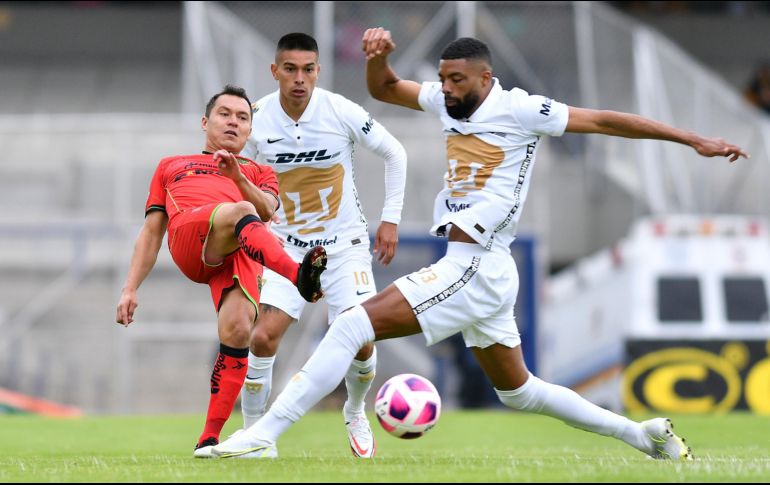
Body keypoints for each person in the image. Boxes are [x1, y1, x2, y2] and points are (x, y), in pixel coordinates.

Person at [212, 30, 748, 460]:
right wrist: (378, 59)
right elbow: (386, 89)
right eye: (443, 79)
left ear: (485, 78)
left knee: (352, 325)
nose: (445, 89)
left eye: (456, 80)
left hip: (476, 265)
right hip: (478, 268)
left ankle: (262, 434)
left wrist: (691, 139)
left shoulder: (523, 110)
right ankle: (642, 435)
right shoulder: (448, 101)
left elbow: (605, 121)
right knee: (520, 391)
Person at [217, 33, 407, 460]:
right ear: (275, 71)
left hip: (345, 246)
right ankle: (255, 437)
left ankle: (354, 410)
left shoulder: (340, 110)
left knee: (362, 342)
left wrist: (390, 219)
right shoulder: (256, 118)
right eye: (290, 69)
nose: (299, 79)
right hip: (287, 247)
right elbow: (232, 172)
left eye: (307, 70)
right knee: (263, 337)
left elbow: (396, 153)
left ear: (318, 71)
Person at [114, 84, 328, 457]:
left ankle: (209, 439)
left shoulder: (260, 172)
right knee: (240, 211)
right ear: (205, 122)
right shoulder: (171, 165)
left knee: (240, 329)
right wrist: (130, 288)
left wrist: (238, 178)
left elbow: (267, 209)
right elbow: (151, 232)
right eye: (225, 114)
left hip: (239, 248)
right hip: (190, 237)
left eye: (242, 117)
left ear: (250, 130)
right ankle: (297, 275)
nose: (233, 122)